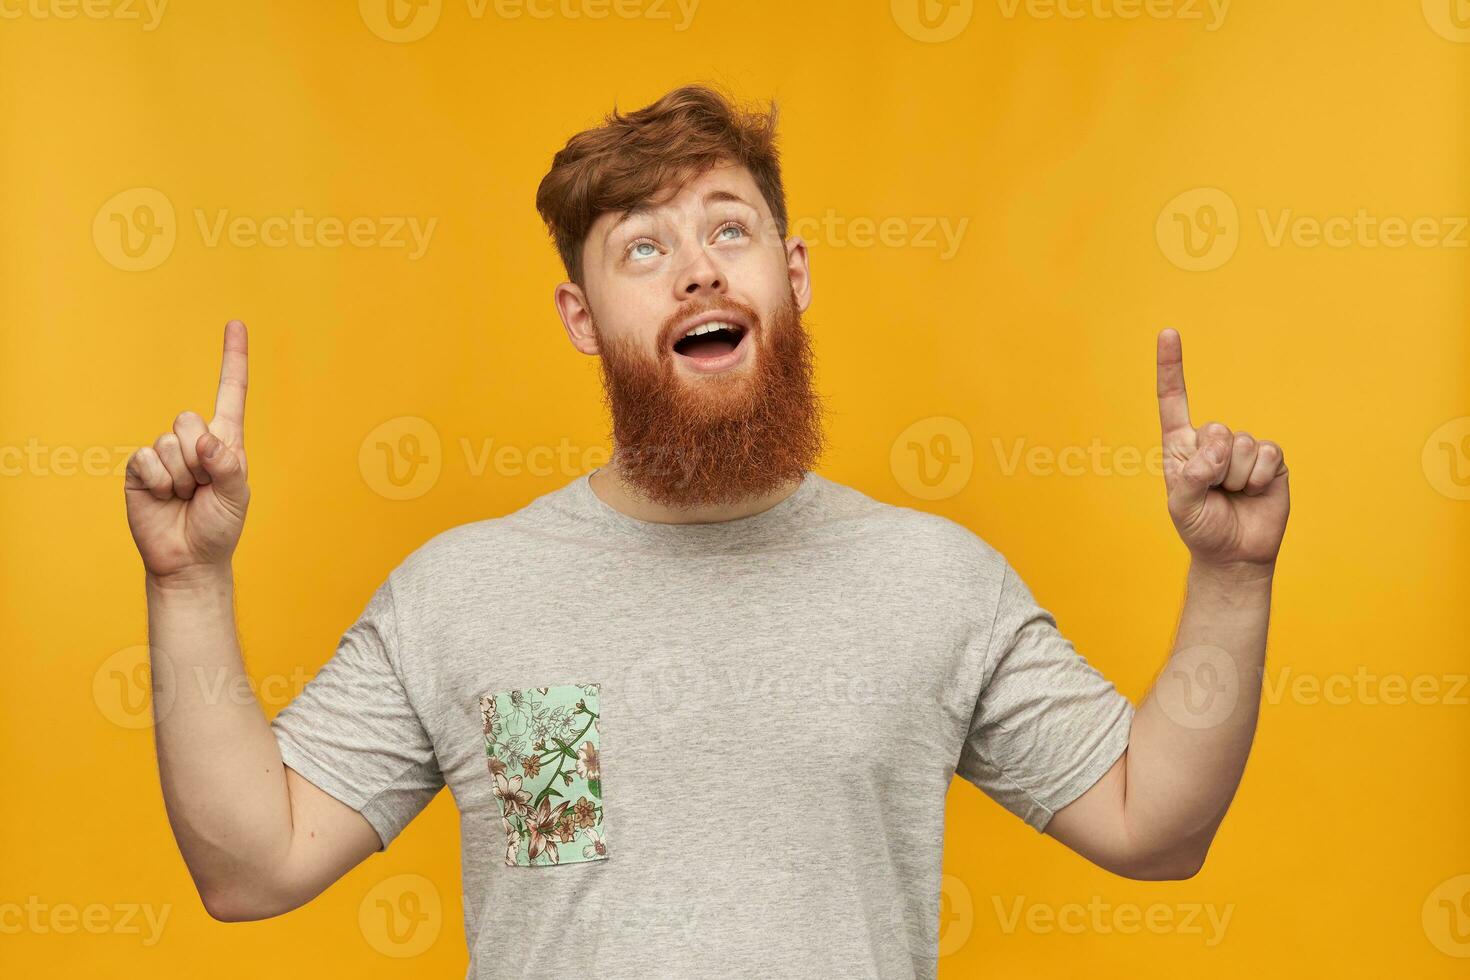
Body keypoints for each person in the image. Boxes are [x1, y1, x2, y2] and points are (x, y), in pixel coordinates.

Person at [123, 83, 1290, 978]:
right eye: (643, 246)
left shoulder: (935, 581)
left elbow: (1156, 825)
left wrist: (1233, 576)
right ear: (582, 319)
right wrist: (185, 583)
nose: (694, 271)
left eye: (728, 232)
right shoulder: (460, 594)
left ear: (792, 274)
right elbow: (248, 864)